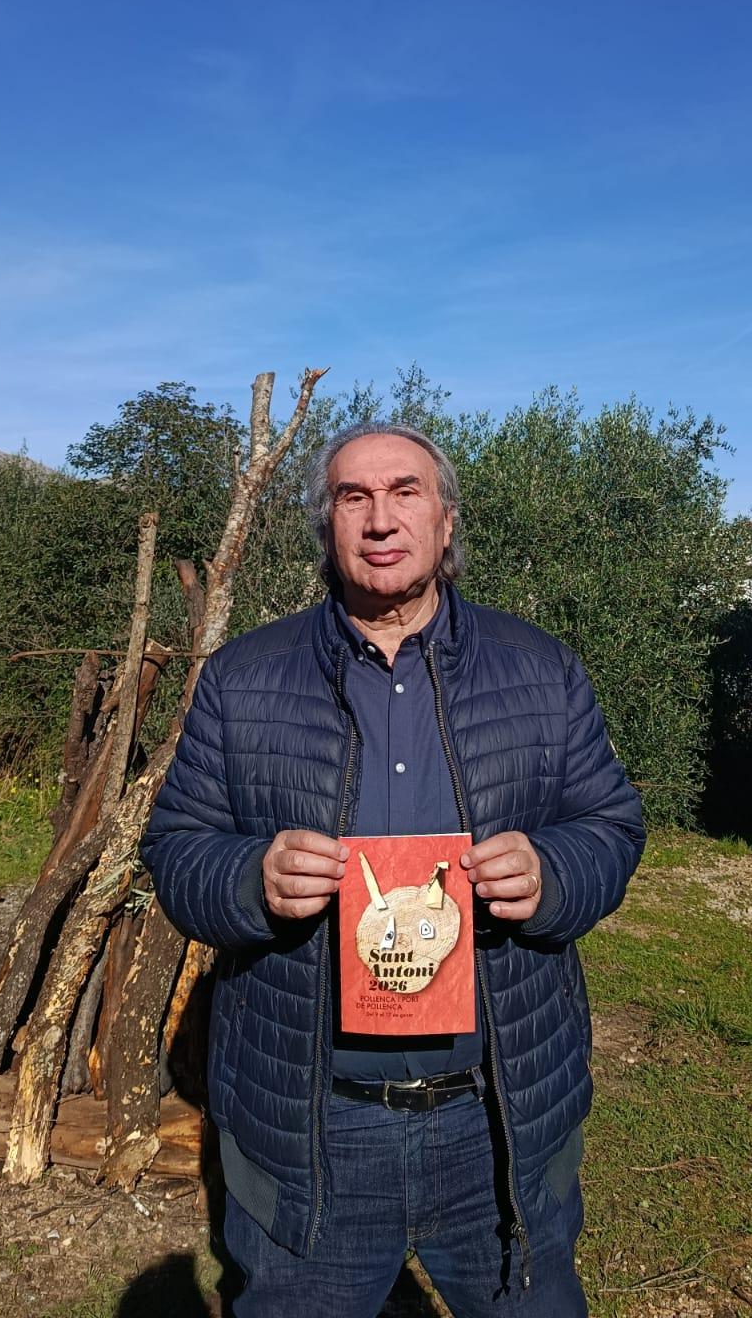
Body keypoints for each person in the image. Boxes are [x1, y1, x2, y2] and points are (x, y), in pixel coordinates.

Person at [141, 423, 645, 1316]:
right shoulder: (242, 679)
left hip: (497, 1119)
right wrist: (251, 878)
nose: (381, 519)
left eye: (406, 492)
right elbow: (177, 846)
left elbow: (610, 823)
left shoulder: (541, 670)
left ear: (445, 521)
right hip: (313, 1126)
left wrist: (554, 873)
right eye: (354, 497)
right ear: (327, 526)